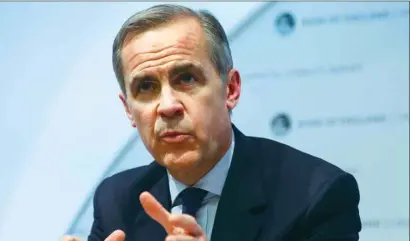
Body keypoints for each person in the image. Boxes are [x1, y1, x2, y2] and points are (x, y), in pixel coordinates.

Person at [62, 4, 361, 241]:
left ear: (230, 89)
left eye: (187, 78)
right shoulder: (117, 199)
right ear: (129, 110)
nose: (167, 106)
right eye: (146, 87)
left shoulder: (317, 196)